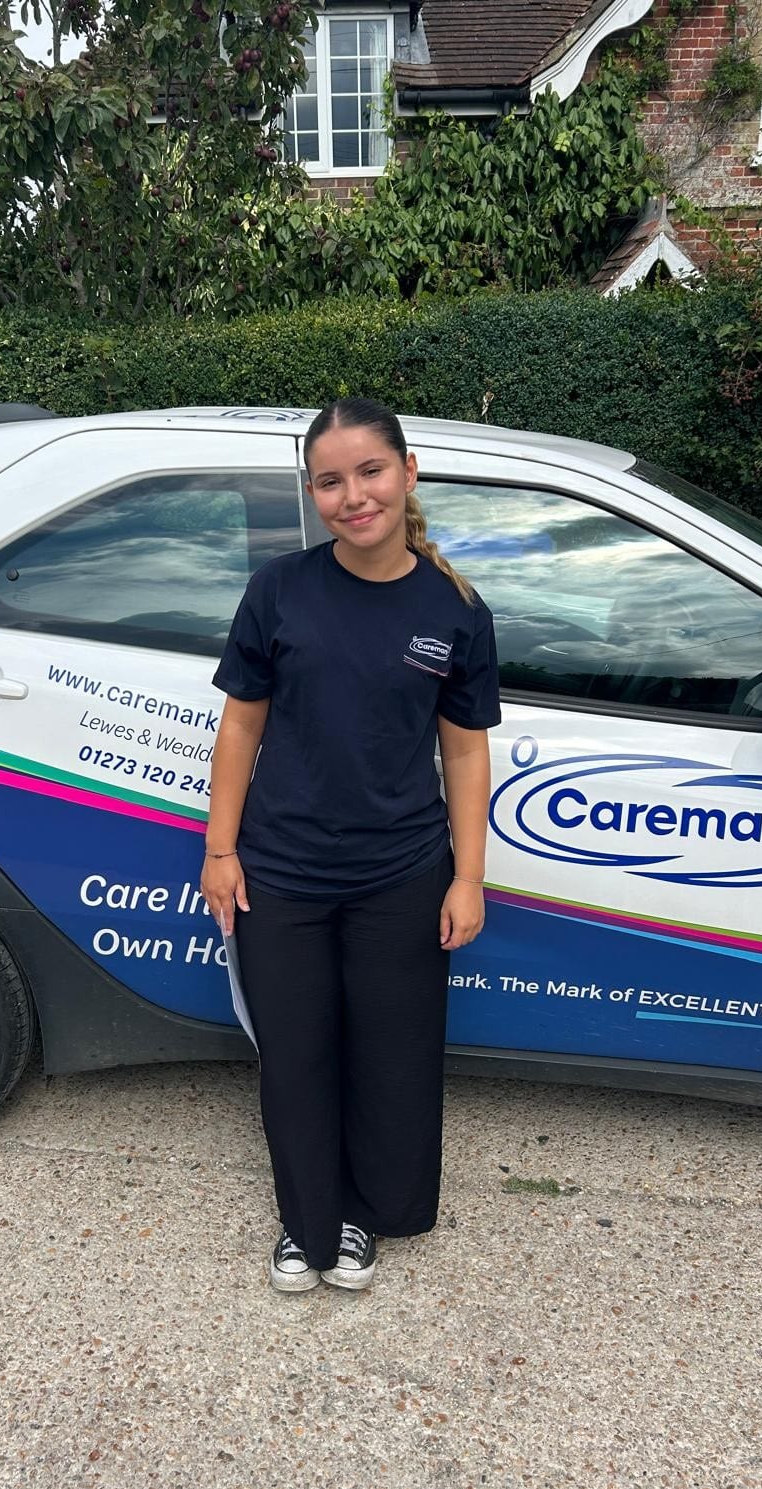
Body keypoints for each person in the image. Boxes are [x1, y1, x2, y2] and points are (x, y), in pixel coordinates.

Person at [200, 398, 500, 1293]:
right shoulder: (279, 590)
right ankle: (308, 1224)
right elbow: (241, 728)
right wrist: (221, 850)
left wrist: (469, 878)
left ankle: (366, 1213)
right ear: (313, 494)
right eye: (330, 481)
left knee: (391, 1060)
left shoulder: (455, 610)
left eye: (370, 471)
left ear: (408, 473)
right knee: (296, 1057)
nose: (353, 495)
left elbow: (464, 751)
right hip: (281, 874)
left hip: (402, 875)